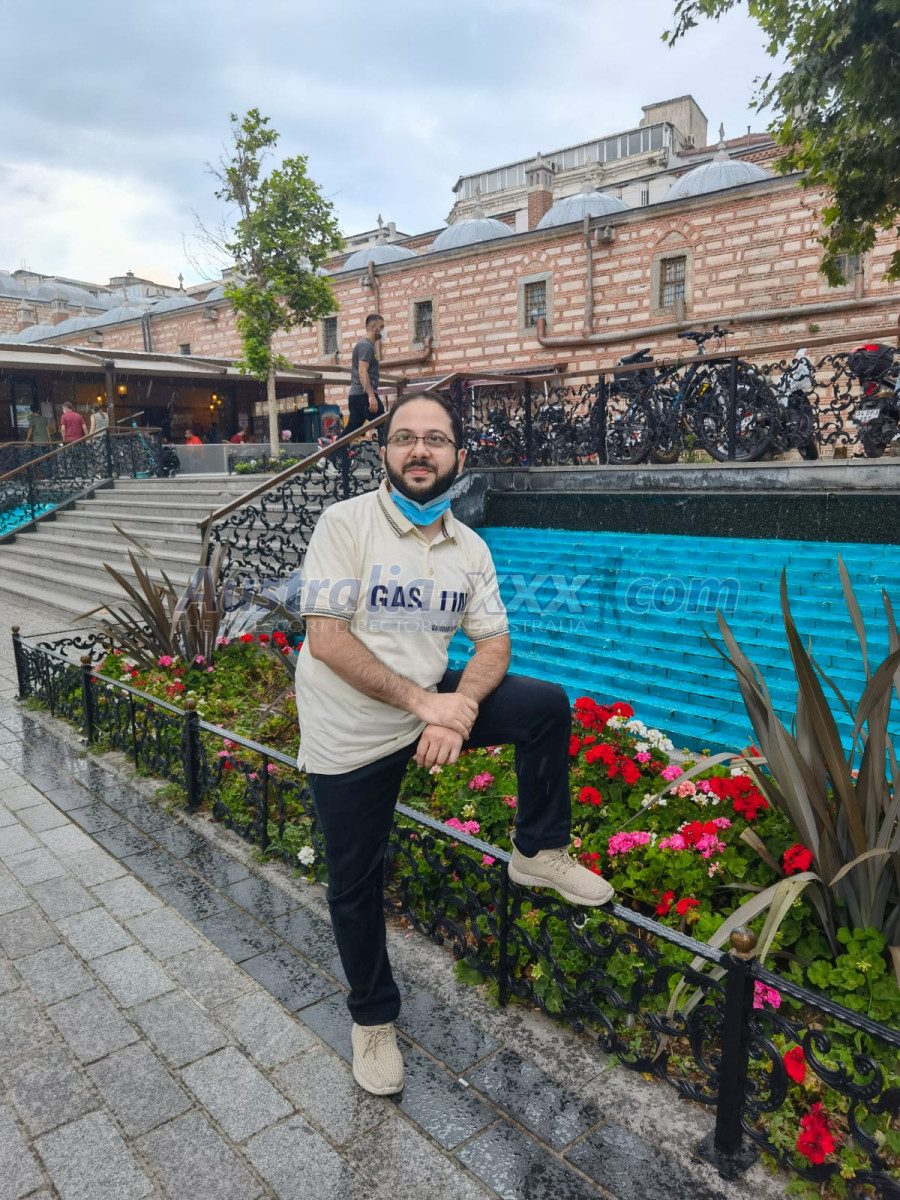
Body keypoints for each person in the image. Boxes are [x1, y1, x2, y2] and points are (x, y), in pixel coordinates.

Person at [296, 390, 614, 1098]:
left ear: (459, 457)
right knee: (354, 883)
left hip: (427, 700)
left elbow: (494, 641)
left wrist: (457, 710)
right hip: (349, 730)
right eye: (405, 437)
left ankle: (536, 852)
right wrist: (426, 704)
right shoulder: (344, 524)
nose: (419, 450)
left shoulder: (469, 548)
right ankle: (373, 1019)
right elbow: (326, 640)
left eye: (435, 439)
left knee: (543, 706)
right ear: (384, 451)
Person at [346, 314, 385, 443]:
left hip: (357, 395)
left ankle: (334, 452)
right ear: (373, 327)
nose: (383, 330)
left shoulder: (368, 346)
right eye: (381, 327)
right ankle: (386, 455)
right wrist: (371, 396)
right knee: (385, 425)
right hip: (364, 395)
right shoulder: (366, 345)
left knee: (352, 430)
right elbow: (362, 371)